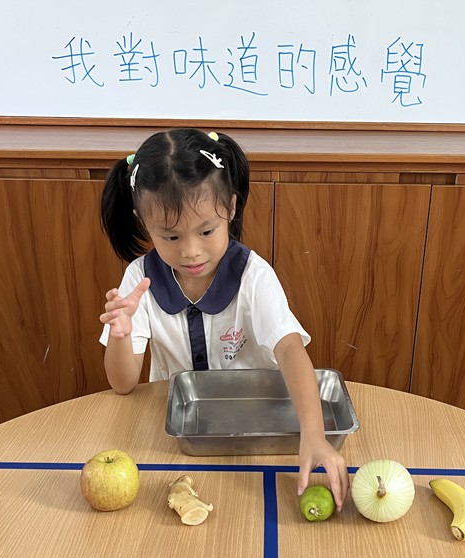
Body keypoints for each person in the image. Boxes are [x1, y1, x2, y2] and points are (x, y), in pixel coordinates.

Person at [99, 128, 349, 509]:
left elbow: (289, 349)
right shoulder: (139, 280)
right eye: (170, 237)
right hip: (177, 446)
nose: (191, 252)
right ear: (143, 222)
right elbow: (122, 384)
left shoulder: (253, 276)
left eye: (206, 231)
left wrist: (314, 435)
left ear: (230, 208)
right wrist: (121, 334)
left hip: (258, 441)